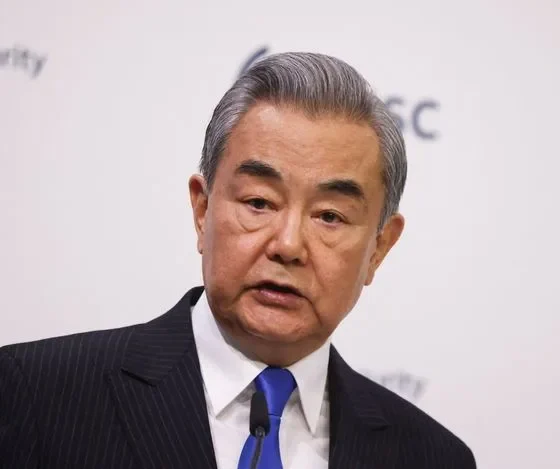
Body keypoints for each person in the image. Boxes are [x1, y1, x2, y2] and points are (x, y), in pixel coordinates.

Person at [0, 53, 476, 468]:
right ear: (202, 209)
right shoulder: (36, 395)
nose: (287, 245)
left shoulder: (432, 457)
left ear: (379, 248)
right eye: (259, 203)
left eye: (330, 216)